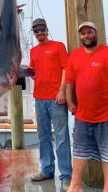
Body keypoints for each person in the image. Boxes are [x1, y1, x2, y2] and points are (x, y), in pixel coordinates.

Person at [66, 21, 108, 192]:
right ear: (80, 36)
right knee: (79, 152)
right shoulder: (74, 56)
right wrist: (70, 102)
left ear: (95, 33)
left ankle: (107, 189)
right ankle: (75, 185)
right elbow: (69, 82)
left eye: (89, 32)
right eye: (83, 34)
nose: (86, 36)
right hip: (83, 115)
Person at [29, 18, 72, 192]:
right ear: (34, 33)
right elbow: (32, 73)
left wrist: (61, 92)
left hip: (56, 99)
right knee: (43, 136)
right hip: (39, 99)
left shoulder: (58, 46)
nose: (40, 33)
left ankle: (66, 176)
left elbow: (66, 69)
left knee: (62, 138)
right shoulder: (33, 51)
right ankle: (46, 170)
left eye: (42, 29)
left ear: (47, 29)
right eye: (36, 30)